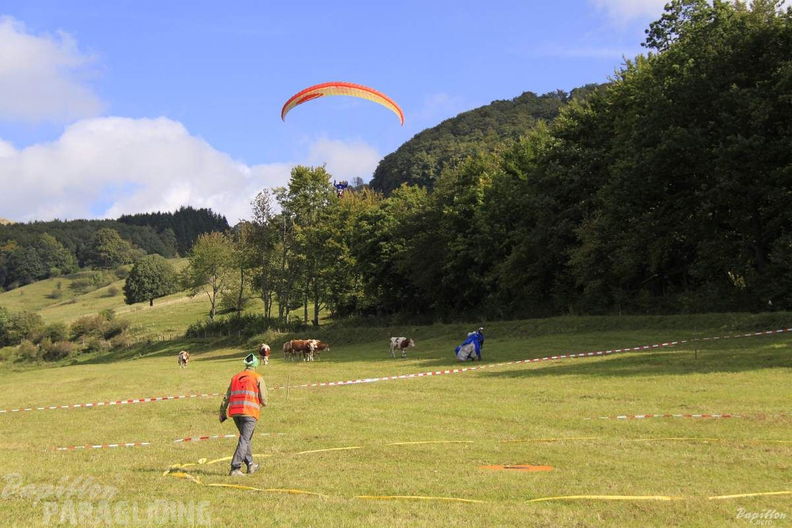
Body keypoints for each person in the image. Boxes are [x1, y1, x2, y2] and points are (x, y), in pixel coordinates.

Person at [219, 353, 268, 476]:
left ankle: (251, 465)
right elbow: (264, 399)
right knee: (245, 439)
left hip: (235, 413)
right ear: (256, 364)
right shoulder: (257, 377)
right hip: (249, 413)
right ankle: (235, 468)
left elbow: (227, 397)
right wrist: (262, 403)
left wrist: (222, 412)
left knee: (246, 439)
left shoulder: (235, 377)